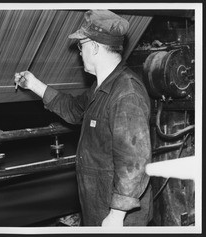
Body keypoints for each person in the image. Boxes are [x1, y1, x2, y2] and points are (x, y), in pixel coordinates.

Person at [14, 9, 153, 227]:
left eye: (82, 45)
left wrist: (116, 215)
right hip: (99, 206)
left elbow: (134, 161)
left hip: (119, 218)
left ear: (95, 47)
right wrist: (33, 84)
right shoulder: (101, 88)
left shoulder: (126, 93)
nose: (80, 52)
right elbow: (73, 109)